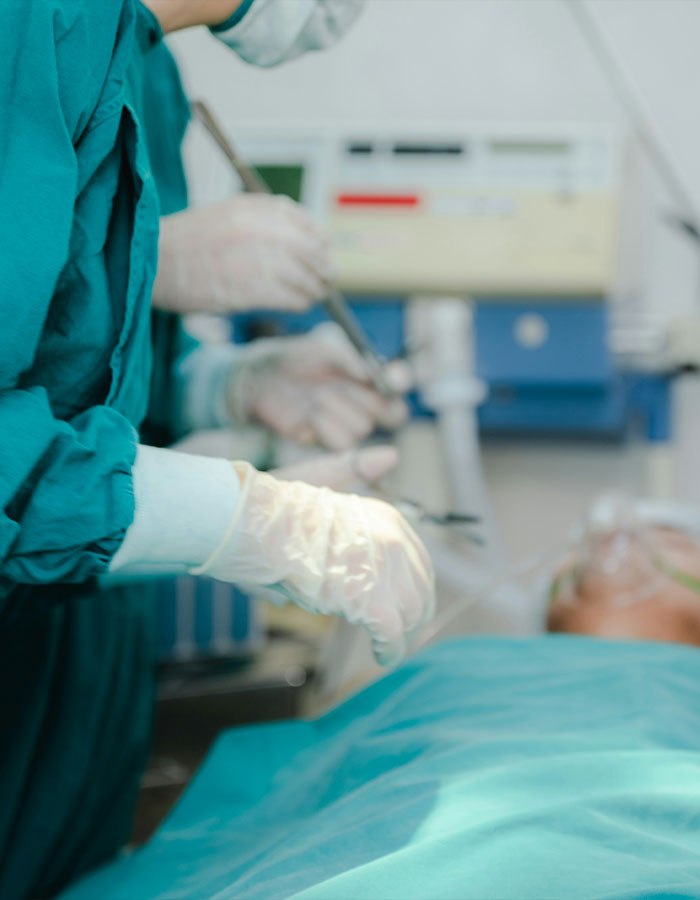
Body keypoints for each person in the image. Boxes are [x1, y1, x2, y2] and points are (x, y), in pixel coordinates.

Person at [0, 3, 433, 898]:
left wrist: (228, 385)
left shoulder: (143, 64)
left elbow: (80, 373)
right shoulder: (26, 37)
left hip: (64, 656)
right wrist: (246, 521)